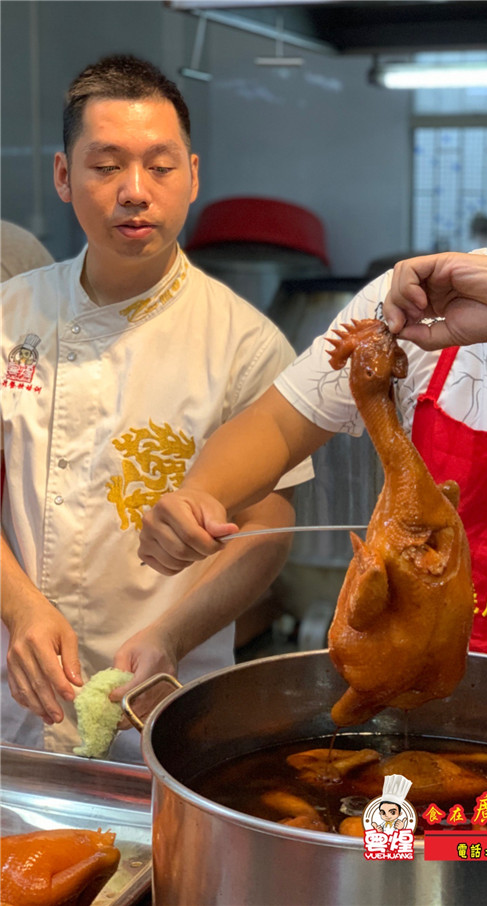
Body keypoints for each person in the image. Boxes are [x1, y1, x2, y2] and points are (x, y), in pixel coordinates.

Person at [140, 2, 487, 751]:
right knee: (397, 860)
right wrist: (199, 493)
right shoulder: (415, 307)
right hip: (413, 751)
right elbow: (273, 424)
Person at [0, 55, 312, 762]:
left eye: (160, 167)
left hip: (167, 700)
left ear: (193, 176)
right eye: (105, 165)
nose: (134, 192)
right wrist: (21, 610)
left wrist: (171, 634)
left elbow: (268, 530)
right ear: (62, 175)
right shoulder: (9, 314)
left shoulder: (245, 343)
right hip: (17, 696)